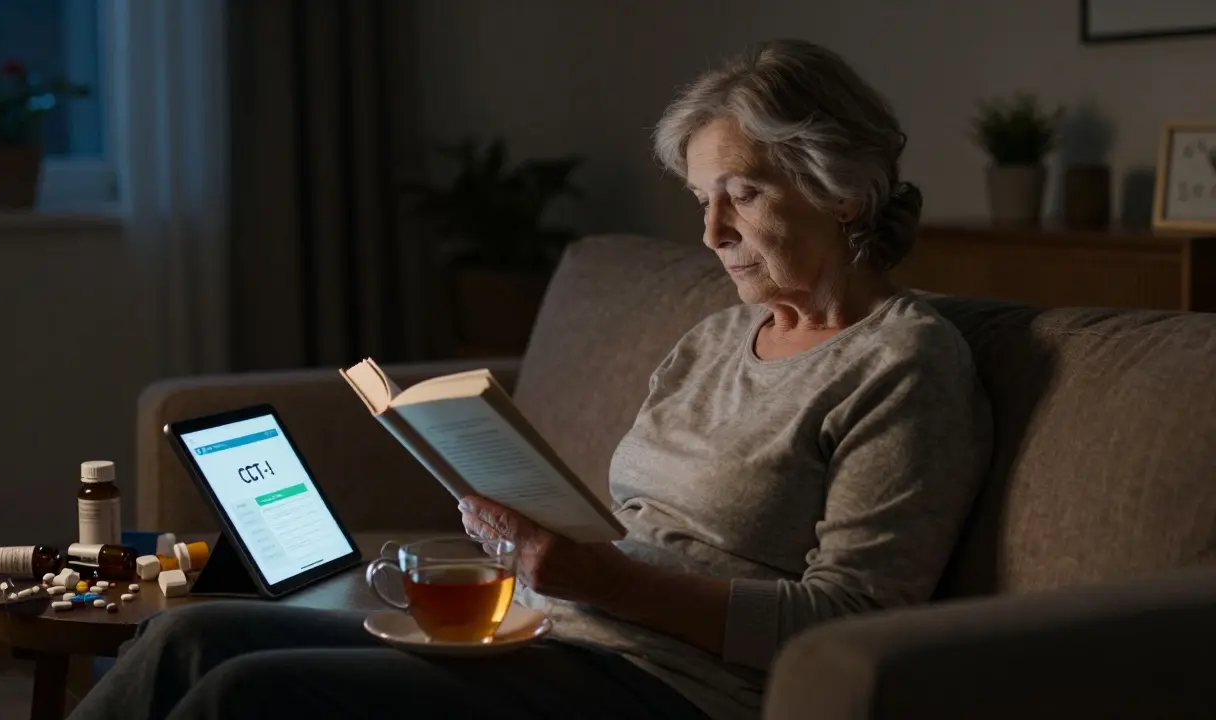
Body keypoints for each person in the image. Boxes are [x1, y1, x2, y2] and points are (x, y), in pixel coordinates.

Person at [71, 38, 991, 720]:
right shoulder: (716, 339)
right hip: (551, 633)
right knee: (183, 636)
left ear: (840, 189)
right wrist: (539, 538)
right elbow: (641, 533)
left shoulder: (904, 364)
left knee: (245, 696)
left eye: (742, 195)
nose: (711, 232)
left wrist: (604, 581)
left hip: (669, 690)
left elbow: (848, 628)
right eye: (700, 200)